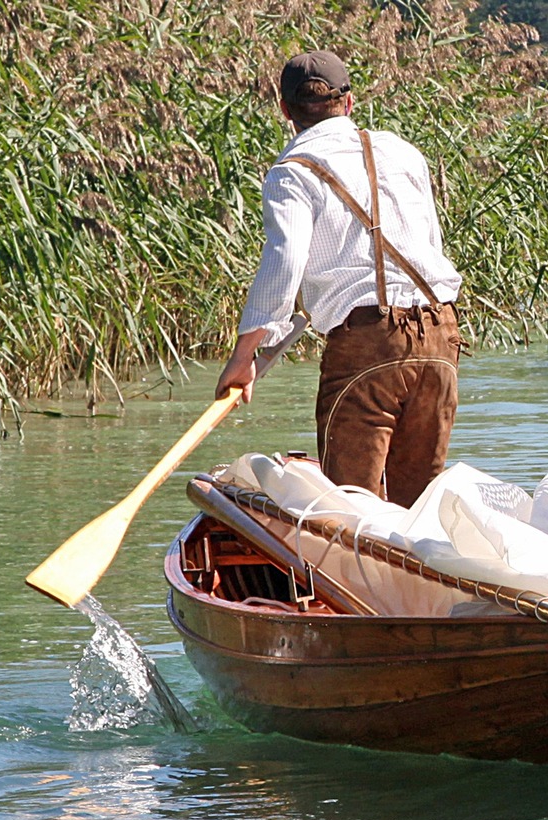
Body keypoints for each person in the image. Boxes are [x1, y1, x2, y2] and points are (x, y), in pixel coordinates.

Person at [215, 49, 463, 508]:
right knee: (420, 510)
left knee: (350, 511)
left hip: (369, 347)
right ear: (348, 104)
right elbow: (430, 240)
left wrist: (245, 354)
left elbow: (285, 261)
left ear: (286, 110)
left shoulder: (291, 173)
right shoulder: (404, 152)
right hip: (441, 336)